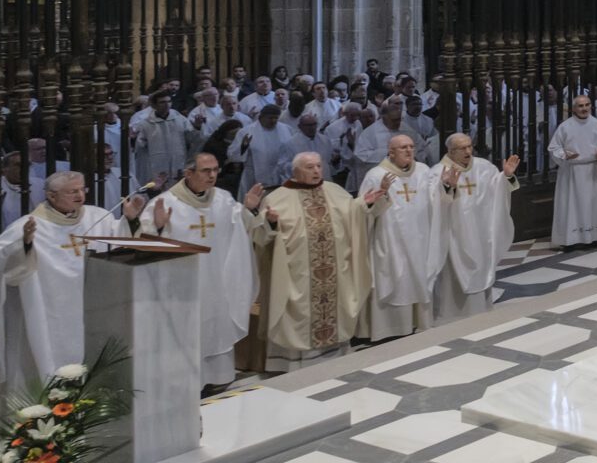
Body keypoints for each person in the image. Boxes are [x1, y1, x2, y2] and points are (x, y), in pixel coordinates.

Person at [0, 171, 139, 409]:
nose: (80, 195)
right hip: (50, 308)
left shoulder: (98, 216)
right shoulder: (30, 225)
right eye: (72, 191)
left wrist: (131, 220)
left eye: (82, 189)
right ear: (52, 196)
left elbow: (120, 243)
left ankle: (97, 404)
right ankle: (56, 408)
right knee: (51, 355)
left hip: (93, 306)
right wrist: (24, 244)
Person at [248, 152, 371, 370]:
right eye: (309, 167)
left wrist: (363, 205)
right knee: (299, 314)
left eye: (318, 166)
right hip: (298, 275)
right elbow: (260, 237)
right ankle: (294, 364)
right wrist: (270, 223)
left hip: (334, 272)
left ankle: (336, 354)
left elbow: (352, 216)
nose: (316, 171)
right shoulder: (277, 198)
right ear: (295, 171)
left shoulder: (335, 191)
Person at [145, 151, 255, 392]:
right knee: (185, 332)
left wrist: (248, 210)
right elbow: (143, 244)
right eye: (206, 171)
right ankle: (184, 383)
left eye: (216, 170)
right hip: (181, 287)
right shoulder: (165, 203)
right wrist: (158, 227)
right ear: (188, 173)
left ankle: (218, 378)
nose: (213, 175)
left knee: (216, 327)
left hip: (216, 281)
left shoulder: (224, 199)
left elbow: (241, 230)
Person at [358, 132, 443, 342]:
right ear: (391, 152)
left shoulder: (423, 171)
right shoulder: (376, 175)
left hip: (420, 238)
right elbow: (363, 211)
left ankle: (419, 322)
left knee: (419, 277)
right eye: (403, 147)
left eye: (411, 146)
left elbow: (436, 199)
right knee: (394, 279)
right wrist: (381, 194)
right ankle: (390, 328)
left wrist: (446, 187)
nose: (409, 150)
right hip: (389, 240)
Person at [437, 135, 518, 327]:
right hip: (455, 232)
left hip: (480, 229)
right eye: (462, 148)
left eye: (469, 146)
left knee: (482, 265)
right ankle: (453, 314)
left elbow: (498, 188)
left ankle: (482, 307)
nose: (468, 151)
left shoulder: (484, 167)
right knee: (454, 271)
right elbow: (433, 204)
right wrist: (447, 187)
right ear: (450, 151)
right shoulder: (438, 172)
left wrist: (506, 176)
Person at [547, 95, 597, 249]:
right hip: (571, 171)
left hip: (592, 170)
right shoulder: (565, 126)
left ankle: (594, 237)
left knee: (592, 204)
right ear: (574, 108)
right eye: (580, 106)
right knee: (571, 205)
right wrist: (565, 154)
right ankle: (570, 240)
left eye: (587, 105)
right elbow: (553, 148)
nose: (584, 108)